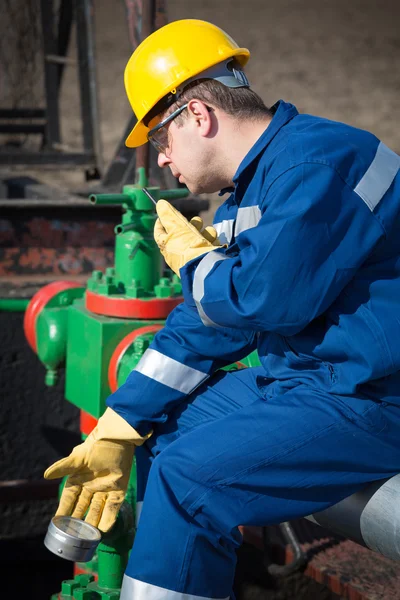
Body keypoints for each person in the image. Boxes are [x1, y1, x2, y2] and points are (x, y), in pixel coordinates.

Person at [45, 18, 400, 600]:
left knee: (191, 480)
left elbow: (265, 301)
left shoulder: (318, 163)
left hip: (373, 398)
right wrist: (122, 422)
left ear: (198, 117)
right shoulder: (254, 187)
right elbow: (209, 324)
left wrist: (194, 265)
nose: (162, 161)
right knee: (159, 435)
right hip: (310, 383)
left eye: (160, 139)